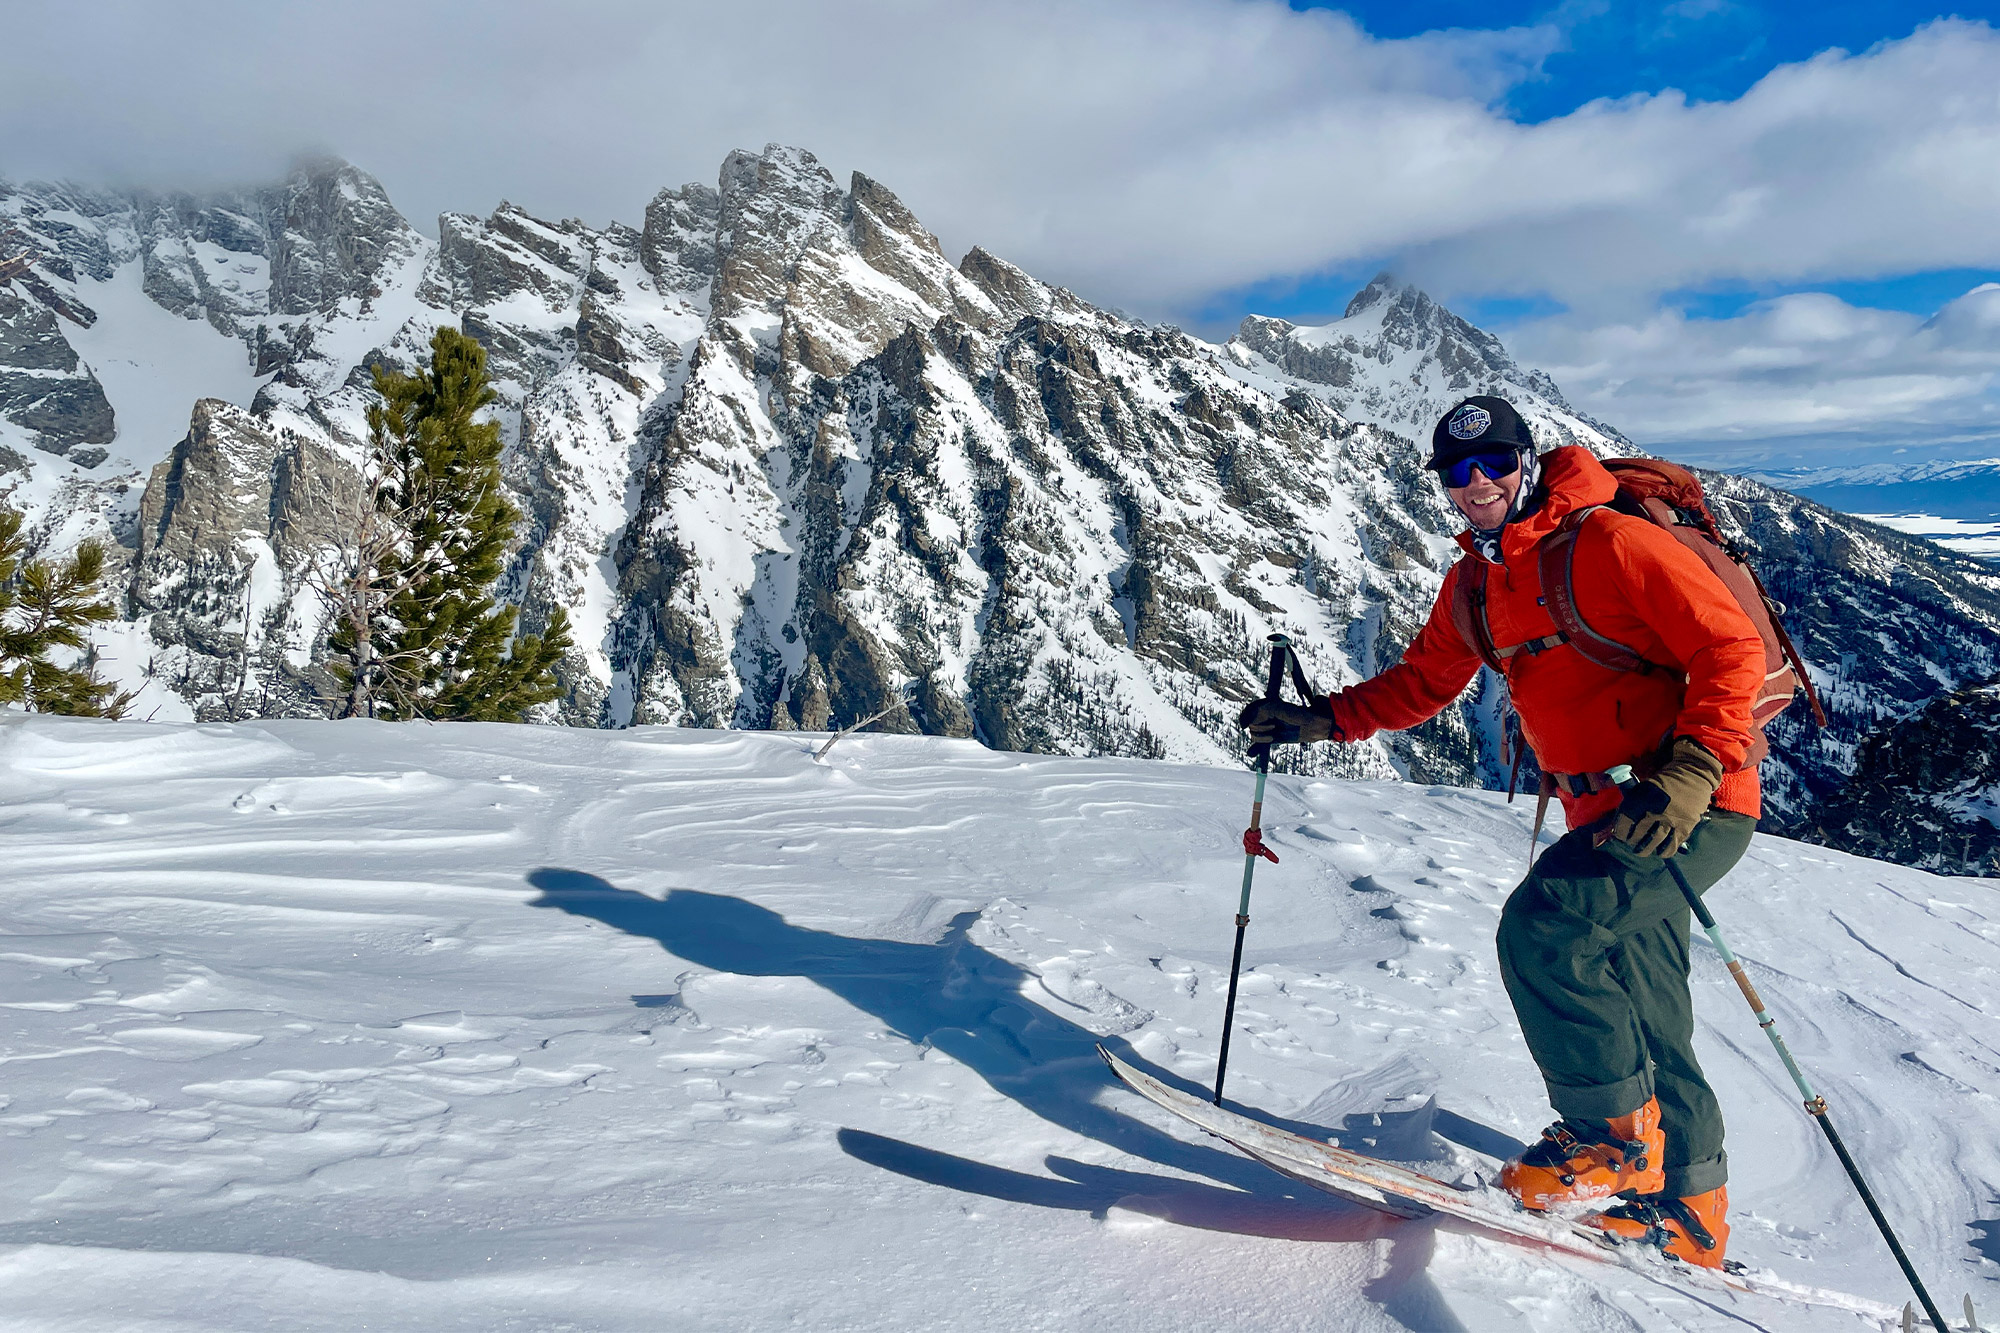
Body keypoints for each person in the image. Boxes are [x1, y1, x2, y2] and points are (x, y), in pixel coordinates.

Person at [1239, 395, 1765, 1269]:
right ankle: (1692, 1212)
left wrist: (1695, 768)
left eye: (1495, 464)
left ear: (1528, 462)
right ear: (1442, 486)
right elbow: (1419, 683)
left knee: (1545, 930)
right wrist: (1318, 721)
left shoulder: (1605, 543)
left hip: (1687, 803)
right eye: (1457, 472)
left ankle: (1608, 1145)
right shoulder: (1478, 585)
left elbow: (1730, 647)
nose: (1477, 483)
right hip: (1610, 810)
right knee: (1650, 1009)